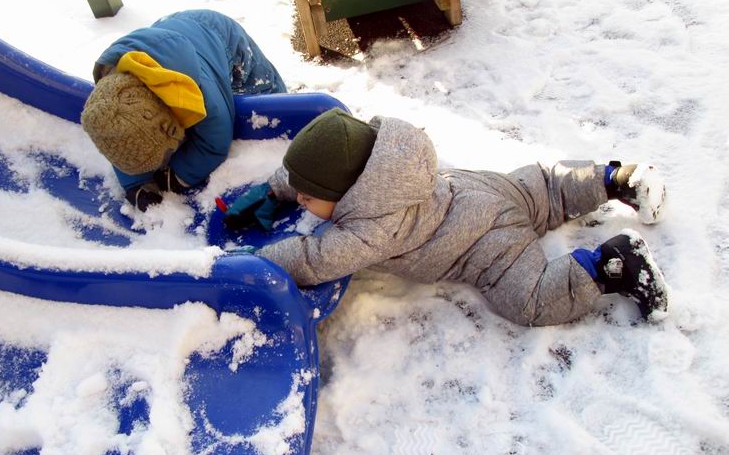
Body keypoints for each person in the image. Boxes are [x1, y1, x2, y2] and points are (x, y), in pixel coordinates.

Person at [222, 108, 670, 326]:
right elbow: (314, 173)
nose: (299, 198)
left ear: (348, 194)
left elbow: (314, 257)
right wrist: (274, 188)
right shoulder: (390, 166)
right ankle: (616, 179)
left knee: (529, 299)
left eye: (306, 195)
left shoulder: (372, 228)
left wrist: (251, 262)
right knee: (546, 188)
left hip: (485, 244)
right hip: (478, 188)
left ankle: (612, 264)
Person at [80, 9, 287, 211]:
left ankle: (284, 102)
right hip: (168, 38)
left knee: (264, 91)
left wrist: (179, 176)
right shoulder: (113, 104)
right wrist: (135, 184)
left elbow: (215, 142)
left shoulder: (202, 95)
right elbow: (120, 142)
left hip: (221, 38)